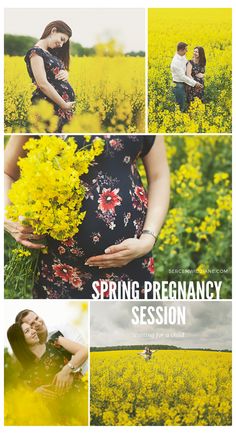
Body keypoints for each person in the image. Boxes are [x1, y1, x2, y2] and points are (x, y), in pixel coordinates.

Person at [4, 134, 170, 299]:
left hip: (132, 263)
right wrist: (7, 216)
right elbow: (6, 172)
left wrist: (148, 239)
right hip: (62, 272)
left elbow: (159, 177)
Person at [7, 310, 88, 397]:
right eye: (28, 330)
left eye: (37, 318)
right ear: (20, 340)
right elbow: (19, 397)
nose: (34, 330)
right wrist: (34, 394)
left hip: (82, 394)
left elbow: (84, 351)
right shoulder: (24, 370)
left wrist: (65, 371)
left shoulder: (56, 340)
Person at [24, 21, 76, 132]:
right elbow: (42, 84)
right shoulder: (35, 52)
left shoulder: (51, 53)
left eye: (64, 42)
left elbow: (56, 72)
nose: (61, 44)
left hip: (60, 108)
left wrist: (66, 73)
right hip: (49, 107)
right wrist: (64, 105)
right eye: (62, 39)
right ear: (53, 31)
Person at [170, 42, 203, 112]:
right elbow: (183, 77)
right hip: (178, 85)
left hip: (184, 84)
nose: (187, 51)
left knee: (185, 104)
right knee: (180, 106)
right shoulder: (176, 62)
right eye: (185, 49)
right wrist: (195, 83)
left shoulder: (182, 56)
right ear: (181, 50)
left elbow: (187, 64)